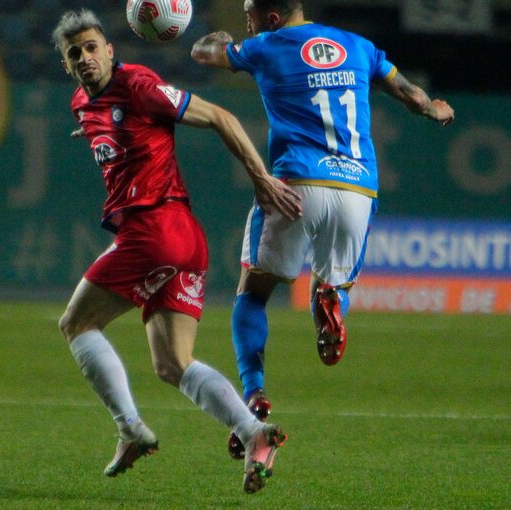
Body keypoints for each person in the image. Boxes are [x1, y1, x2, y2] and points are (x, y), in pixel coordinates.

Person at [190, 0, 455, 459]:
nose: (247, 17)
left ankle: (253, 394)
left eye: (251, 11)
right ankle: (329, 303)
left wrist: (225, 42)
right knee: (336, 280)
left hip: (295, 185)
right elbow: (412, 95)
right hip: (358, 188)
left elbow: (204, 52)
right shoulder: (359, 46)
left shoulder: (264, 45)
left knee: (252, 292)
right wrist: (434, 108)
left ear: (271, 18)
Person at [52, 9, 302, 494]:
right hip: (184, 241)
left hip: (154, 231)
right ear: (67, 65)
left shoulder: (140, 86)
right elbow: (110, 123)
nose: (84, 58)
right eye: (73, 53)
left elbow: (221, 116)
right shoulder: (82, 102)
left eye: (90, 47)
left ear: (109, 49)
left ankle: (129, 428)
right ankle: (254, 435)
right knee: (173, 363)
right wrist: (100, 128)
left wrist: (262, 178)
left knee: (76, 323)